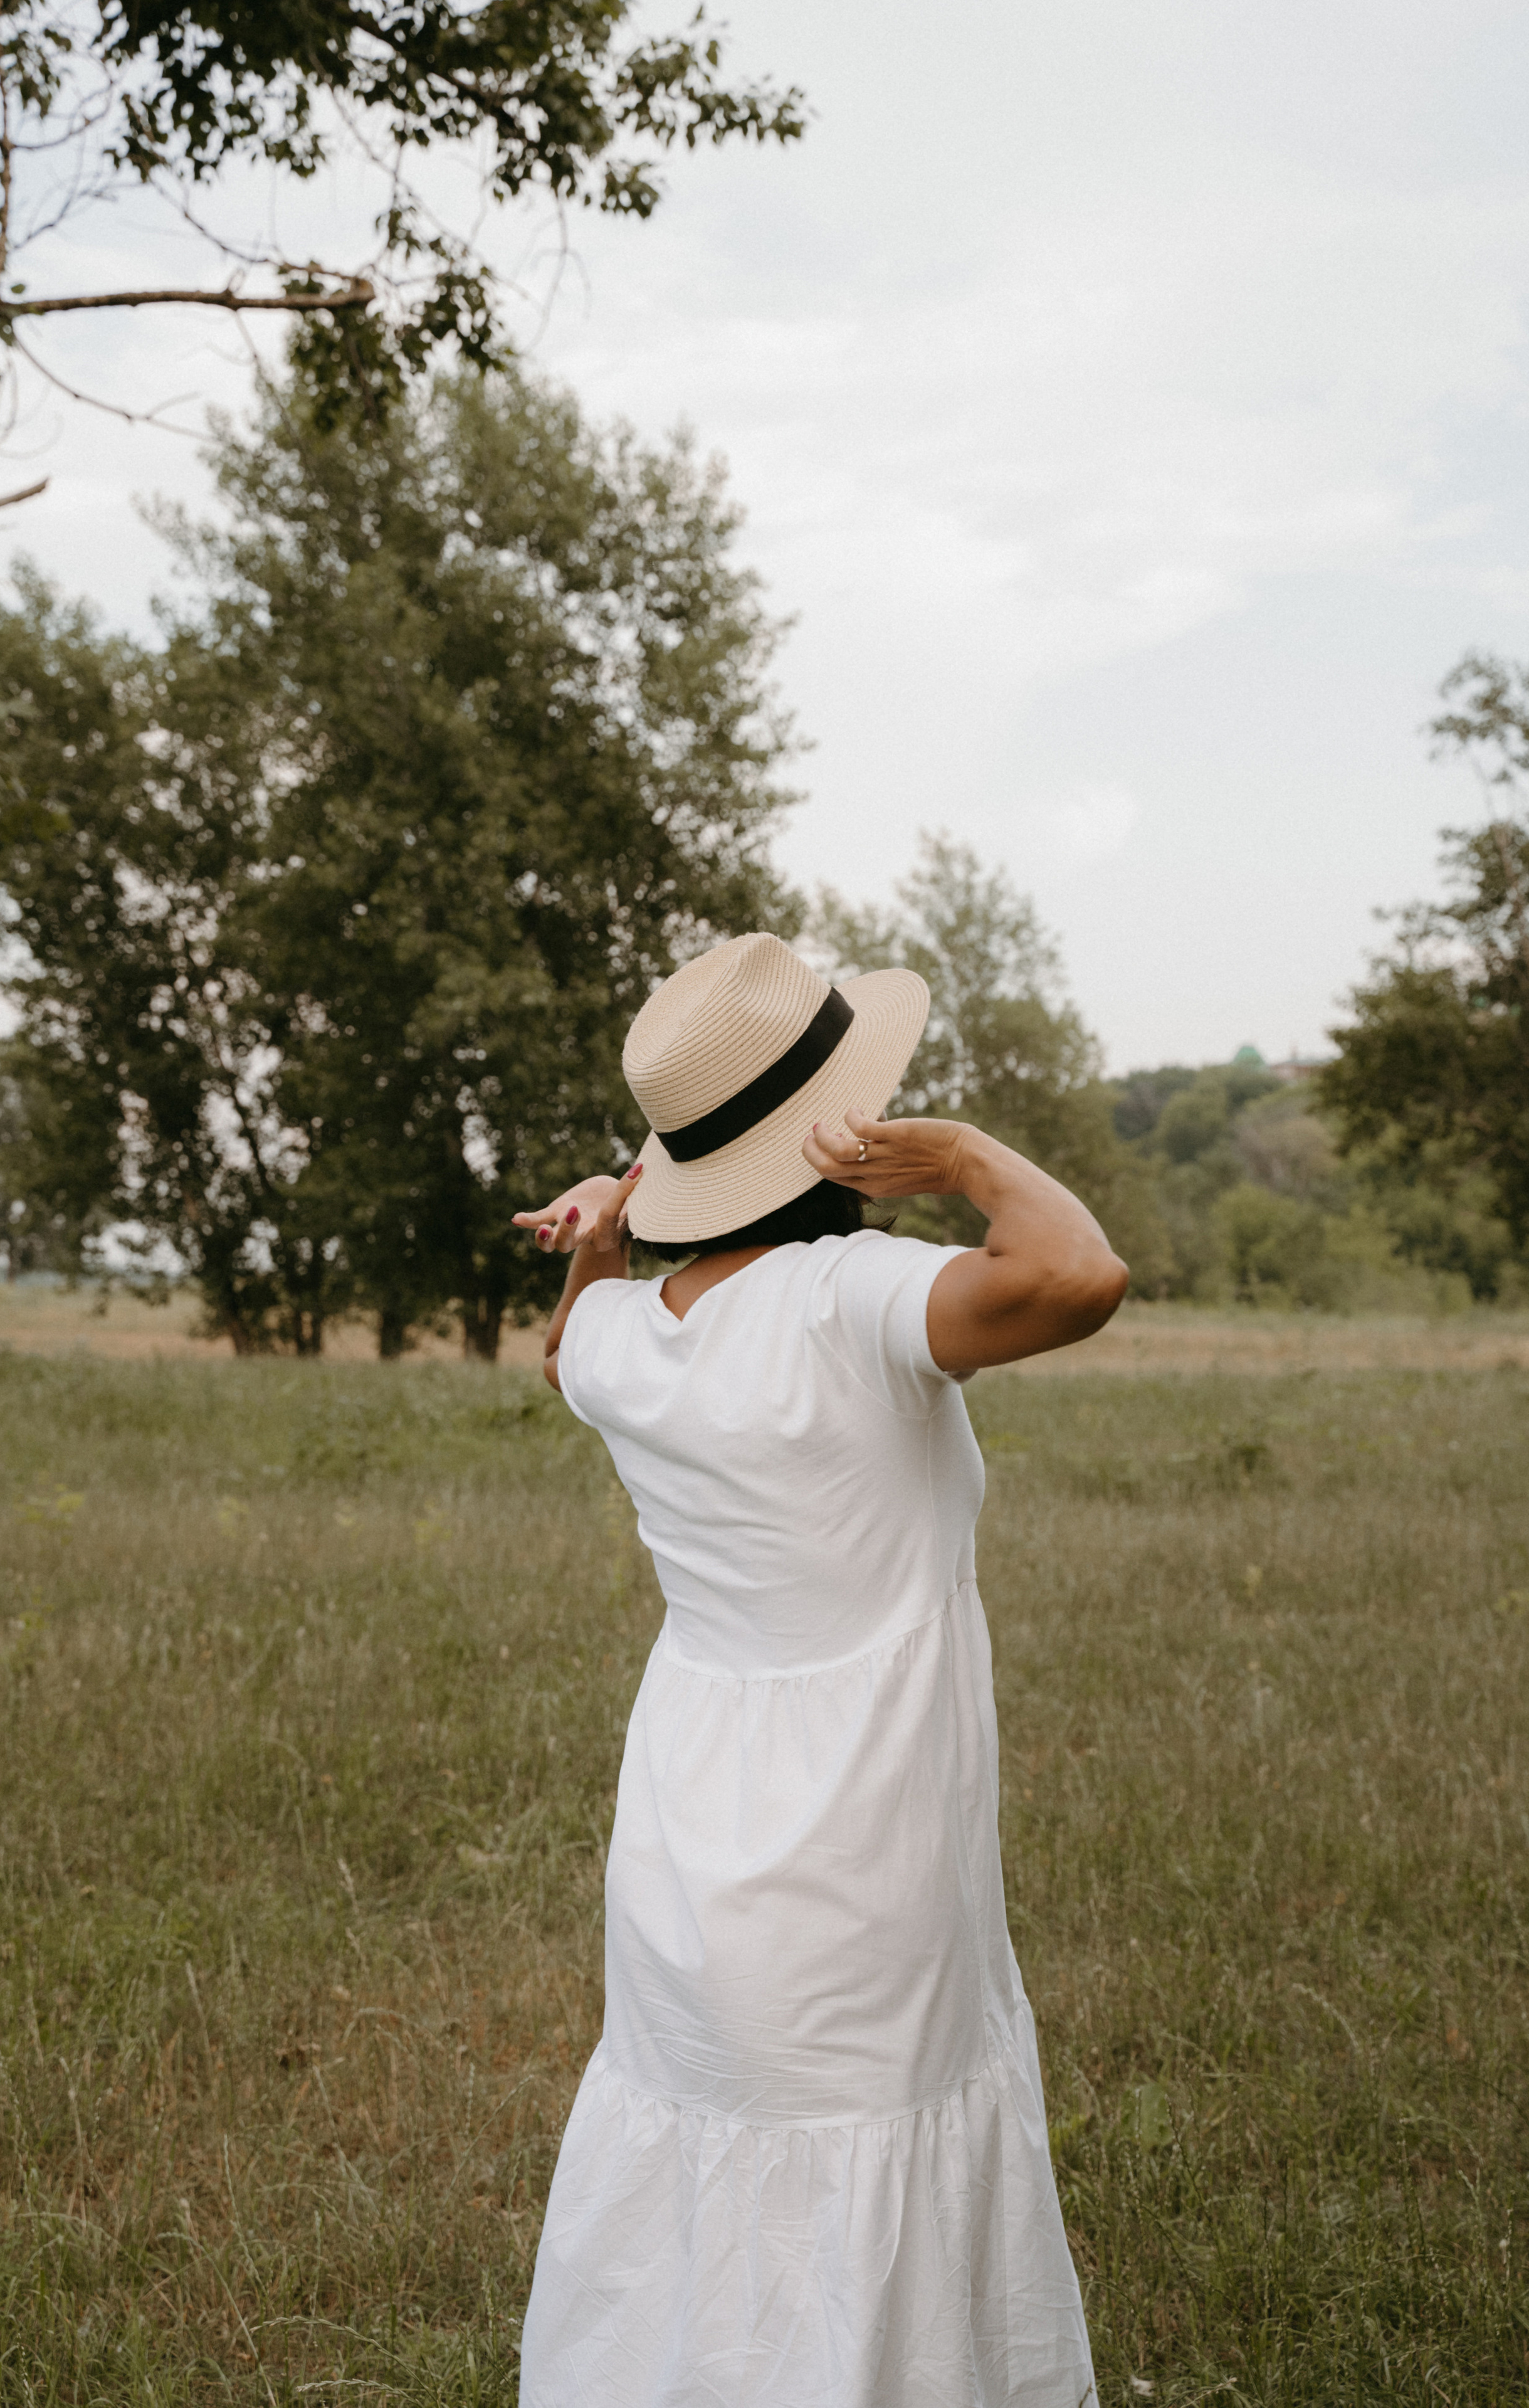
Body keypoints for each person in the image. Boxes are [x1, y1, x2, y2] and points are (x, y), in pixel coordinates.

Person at [510, 932, 1126, 2408]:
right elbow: (1078, 1274)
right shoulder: (849, 1298)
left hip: (689, 1811)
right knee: (866, 2125)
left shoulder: (611, 1340)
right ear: (831, 1137)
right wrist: (962, 1156)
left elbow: (568, 1338)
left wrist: (613, 1218)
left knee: (705, 2118)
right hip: (863, 1819)